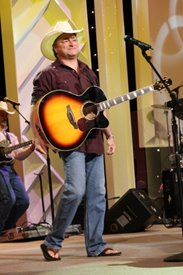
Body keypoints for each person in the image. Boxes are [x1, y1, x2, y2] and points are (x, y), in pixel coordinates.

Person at [31, 21, 121, 261]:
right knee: (75, 190)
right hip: (70, 140)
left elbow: (97, 109)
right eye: (65, 39)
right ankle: (52, 241)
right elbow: (37, 106)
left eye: (74, 38)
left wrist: (110, 135)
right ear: (56, 48)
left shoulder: (89, 72)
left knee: (98, 194)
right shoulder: (49, 74)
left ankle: (96, 245)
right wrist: (37, 135)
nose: (72, 42)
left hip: (93, 139)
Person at [0, 101, 35, 235]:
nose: (4, 117)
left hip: (10, 169)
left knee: (23, 200)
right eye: (1, 114)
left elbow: (19, 156)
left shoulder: (11, 136)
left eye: (5, 115)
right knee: (9, 199)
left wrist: (31, 148)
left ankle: (6, 227)